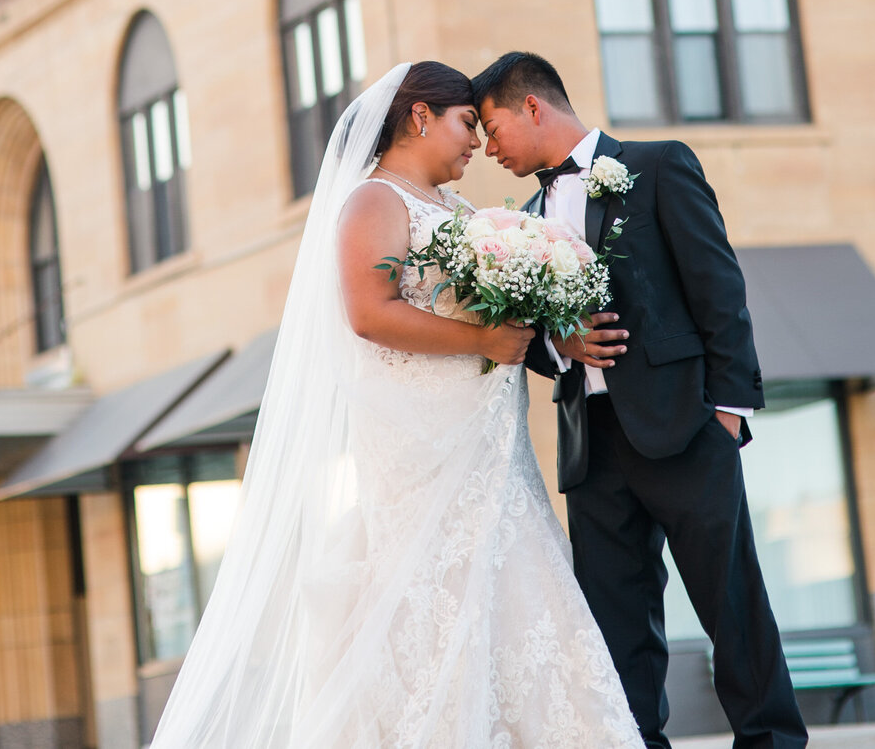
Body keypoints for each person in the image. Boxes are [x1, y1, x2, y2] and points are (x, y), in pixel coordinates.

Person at [148, 61, 644, 749]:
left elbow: (504, 318)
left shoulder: (466, 216)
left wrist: (553, 323)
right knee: (433, 604)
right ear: (419, 116)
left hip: (489, 449)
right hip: (421, 450)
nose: (477, 141)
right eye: (466, 123)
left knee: (520, 597)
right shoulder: (373, 202)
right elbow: (369, 314)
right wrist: (483, 336)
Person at [472, 50, 807, 749]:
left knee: (732, 603)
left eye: (492, 126)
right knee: (615, 624)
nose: (488, 146)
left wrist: (728, 414)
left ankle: (772, 739)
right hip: (590, 448)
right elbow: (529, 339)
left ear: (533, 105)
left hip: (685, 426)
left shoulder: (658, 166)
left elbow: (719, 286)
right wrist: (560, 345)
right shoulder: (525, 219)